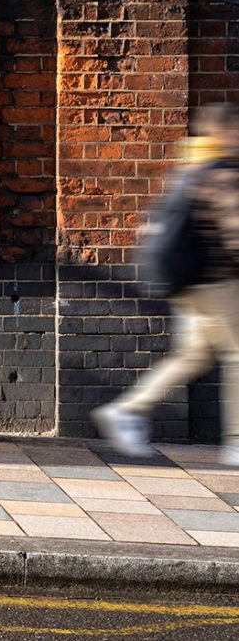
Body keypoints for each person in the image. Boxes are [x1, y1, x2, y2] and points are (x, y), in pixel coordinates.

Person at [94, 102, 239, 464]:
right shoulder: (221, 172)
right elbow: (235, 231)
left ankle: (128, 409)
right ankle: (236, 441)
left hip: (188, 283)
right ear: (223, 132)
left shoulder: (188, 168)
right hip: (217, 283)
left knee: (193, 355)